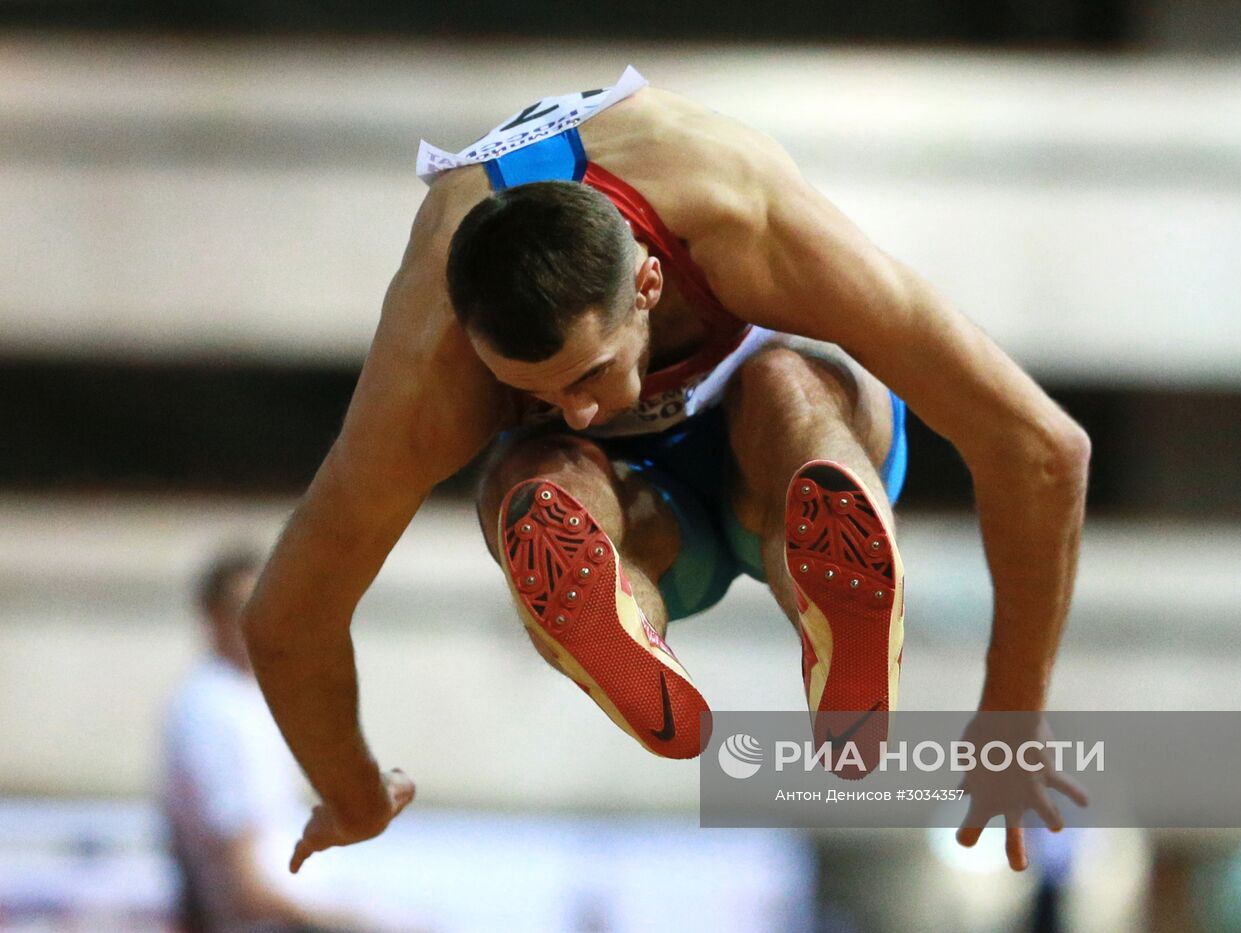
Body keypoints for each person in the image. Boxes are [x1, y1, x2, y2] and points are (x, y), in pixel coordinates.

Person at [241, 67, 1091, 875]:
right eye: (527, 387)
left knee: (786, 386)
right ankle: (615, 615)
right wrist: (350, 792)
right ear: (473, 343)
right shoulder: (432, 362)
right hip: (645, 519)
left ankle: (825, 586)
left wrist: (1013, 712)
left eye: (587, 374)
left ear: (650, 284)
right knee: (538, 481)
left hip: (767, 456)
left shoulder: (736, 206)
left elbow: (1043, 446)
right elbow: (287, 613)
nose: (575, 406)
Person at [159, 549, 412, 933]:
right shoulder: (212, 712)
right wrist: (350, 922)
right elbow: (244, 880)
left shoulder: (248, 699)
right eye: (244, 608)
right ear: (212, 616)